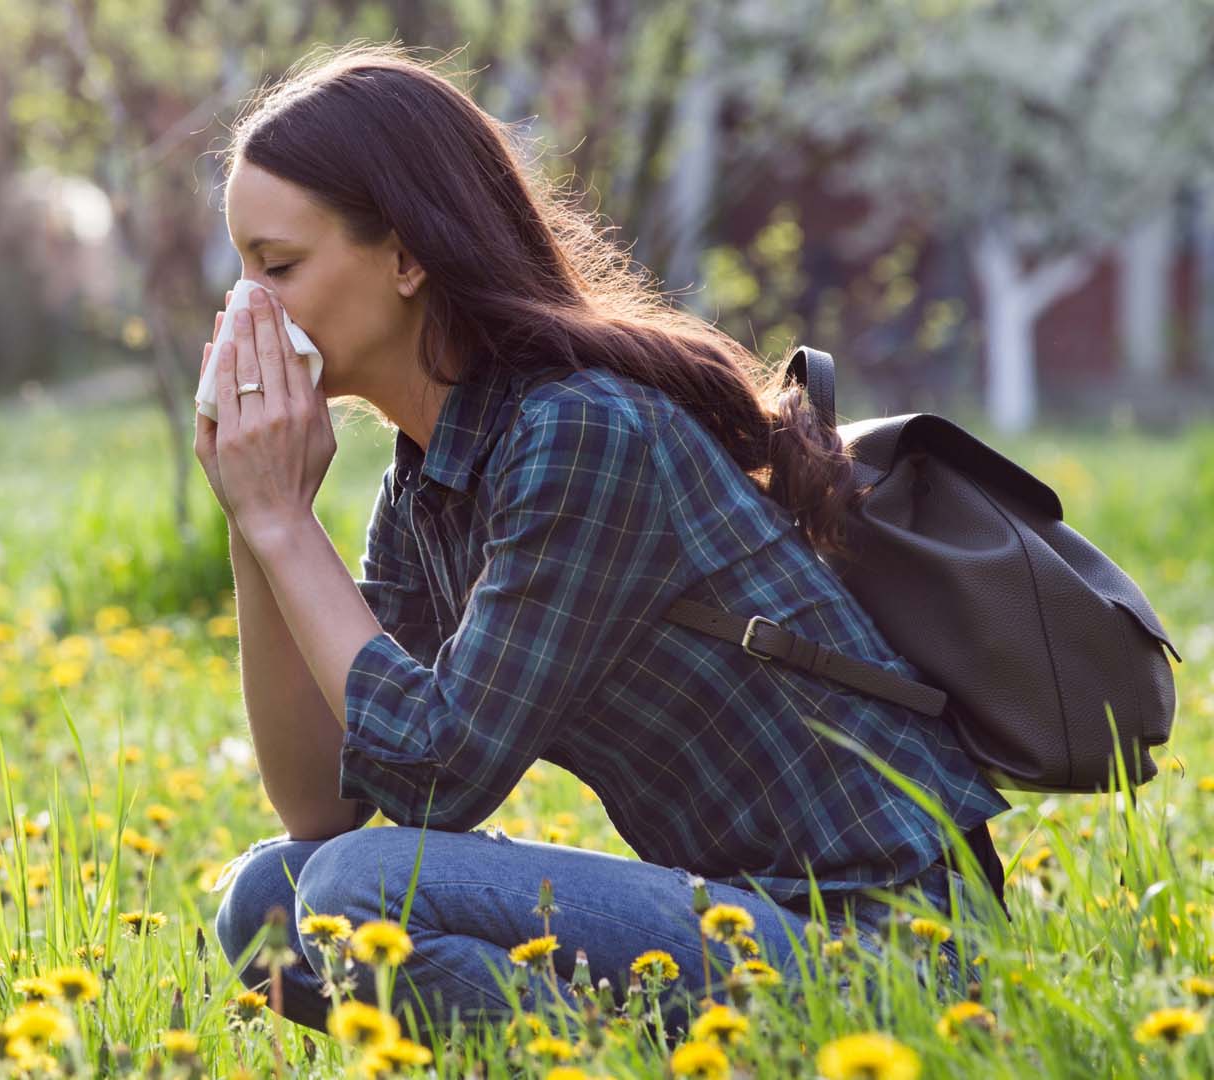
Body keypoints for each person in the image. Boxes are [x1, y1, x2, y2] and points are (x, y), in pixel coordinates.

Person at [194, 44, 1009, 1048]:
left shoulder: (579, 432)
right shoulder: (430, 483)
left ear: (406, 258)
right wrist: (257, 523)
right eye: (241, 271)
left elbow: (438, 780)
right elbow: (320, 802)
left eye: (277, 267)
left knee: (355, 895)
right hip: (741, 924)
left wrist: (284, 522)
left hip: (892, 952)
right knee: (268, 902)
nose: (247, 310)